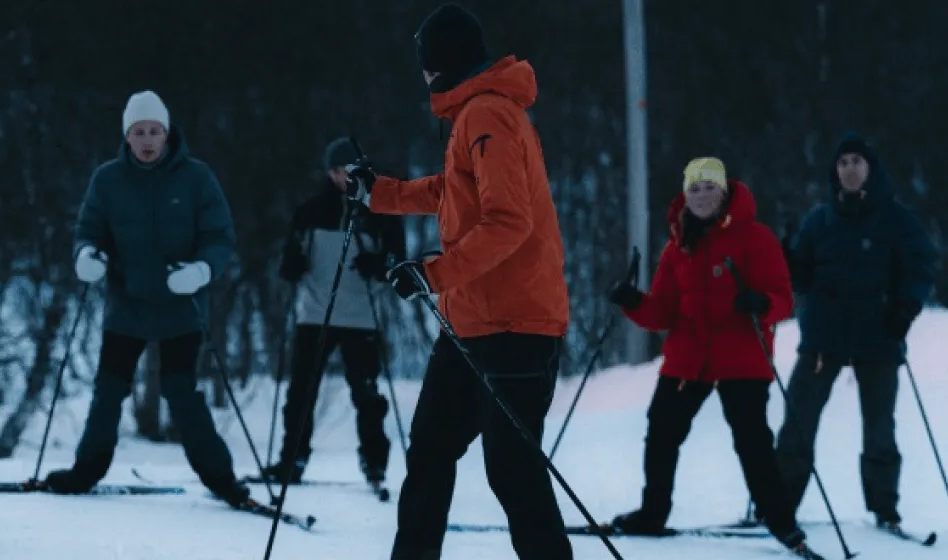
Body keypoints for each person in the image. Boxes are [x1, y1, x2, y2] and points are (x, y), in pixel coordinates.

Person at [342, 4, 572, 557]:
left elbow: (508, 221)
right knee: (430, 451)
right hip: (473, 323)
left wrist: (433, 272)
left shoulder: (487, 113)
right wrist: (382, 193)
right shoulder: (476, 112)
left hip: (515, 324)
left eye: (424, 61)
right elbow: (454, 190)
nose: (421, 73)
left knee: (512, 472)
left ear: (441, 62)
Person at [41, 90, 251, 507]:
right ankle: (86, 472)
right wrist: (86, 256)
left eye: (154, 131)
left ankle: (223, 481)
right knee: (108, 393)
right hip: (127, 307)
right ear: (127, 136)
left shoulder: (196, 178)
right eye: (139, 132)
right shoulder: (108, 180)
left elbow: (219, 237)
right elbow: (89, 230)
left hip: (182, 309)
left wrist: (202, 270)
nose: (148, 140)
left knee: (182, 395)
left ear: (167, 133)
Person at [605, 157, 820, 556]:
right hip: (689, 357)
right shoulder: (677, 246)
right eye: (694, 188)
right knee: (662, 431)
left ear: (724, 192)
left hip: (742, 357)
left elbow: (783, 300)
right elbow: (663, 313)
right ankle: (653, 514)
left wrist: (761, 303)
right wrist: (633, 302)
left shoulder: (756, 238)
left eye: (709, 187)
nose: (701, 196)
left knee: (752, 442)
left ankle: (782, 524)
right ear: (685, 195)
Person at [772, 134, 938, 528]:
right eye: (843, 162)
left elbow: (921, 266)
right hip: (823, 338)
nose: (849, 169)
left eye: (857, 162)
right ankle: (780, 502)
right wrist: (786, 256)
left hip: (879, 335)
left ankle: (884, 508)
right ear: (836, 171)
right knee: (798, 421)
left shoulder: (897, 219)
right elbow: (803, 277)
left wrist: (905, 308)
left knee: (880, 427)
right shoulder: (820, 219)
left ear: (870, 169)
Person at [263, 136, 406, 486]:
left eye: (351, 171)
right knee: (301, 393)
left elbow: (396, 263)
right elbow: (289, 259)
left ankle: (375, 463)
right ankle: (291, 460)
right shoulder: (311, 211)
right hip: (314, 314)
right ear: (328, 173)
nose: (345, 178)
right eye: (337, 171)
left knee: (367, 395)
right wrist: (292, 266)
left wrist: (377, 265)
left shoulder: (381, 211)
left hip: (361, 316)